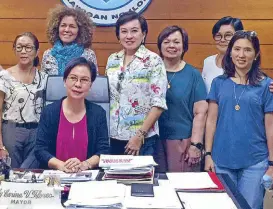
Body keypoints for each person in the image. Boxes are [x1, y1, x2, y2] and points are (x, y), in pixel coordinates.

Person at [205, 30, 273, 209]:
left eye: (248, 50)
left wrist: (272, 164)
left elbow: (270, 127)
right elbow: (211, 121)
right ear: (230, 52)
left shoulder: (266, 85)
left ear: (256, 54)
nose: (241, 55)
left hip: (255, 162)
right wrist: (208, 154)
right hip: (221, 160)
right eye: (237, 49)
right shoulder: (219, 83)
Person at [106, 11, 167, 156]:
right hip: (113, 137)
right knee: (113, 178)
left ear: (143, 34)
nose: (129, 36)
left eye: (134, 31)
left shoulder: (154, 61)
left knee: (139, 179)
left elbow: (158, 104)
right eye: (124, 31)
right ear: (118, 35)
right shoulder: (112, 60)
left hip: (142, 139)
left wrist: (139, 136)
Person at [35, 57, 109, 172]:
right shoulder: (49, 111)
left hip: (87, 177)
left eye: (84, 80)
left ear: (90, 85)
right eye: (73, 78)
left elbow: (103, 151)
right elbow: (40, 150)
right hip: (55, 177)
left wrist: (85, 164)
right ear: (65, 81)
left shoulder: (98, 113)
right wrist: (61, 165)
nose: (78, 84)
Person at [156, 26, 208, 172]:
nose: (171, 45)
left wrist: (195, 145)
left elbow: (200, 113)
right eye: (166, 42)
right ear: (160, 45)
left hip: (182, 142)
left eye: (176, 42)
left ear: (184, 46)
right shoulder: (151, 71)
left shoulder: (193, 74)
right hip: (153, 141)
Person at [0, 32, 48, 168]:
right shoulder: (4, 76)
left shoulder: (44, 78)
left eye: (28, 47)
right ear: (14, 49)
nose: (23, 51)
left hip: (37, 132)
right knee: (11, 174)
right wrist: (0, 146)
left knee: (30, 172)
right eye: (19, 47)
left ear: (37, 51)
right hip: (11, 131)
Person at [41, 5, 98, 75]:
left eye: (72, 26)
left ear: (80, 30)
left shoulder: (88, 54)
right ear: (56, 28)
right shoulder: (48, 55)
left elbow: (94, 82)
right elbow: (45, 83)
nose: (67, 30)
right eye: (63, 25)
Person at [202, 16, 244, 93]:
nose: (222, 40)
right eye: (218, 35)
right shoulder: (208, 61)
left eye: (228, 35)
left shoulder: (243, 63)